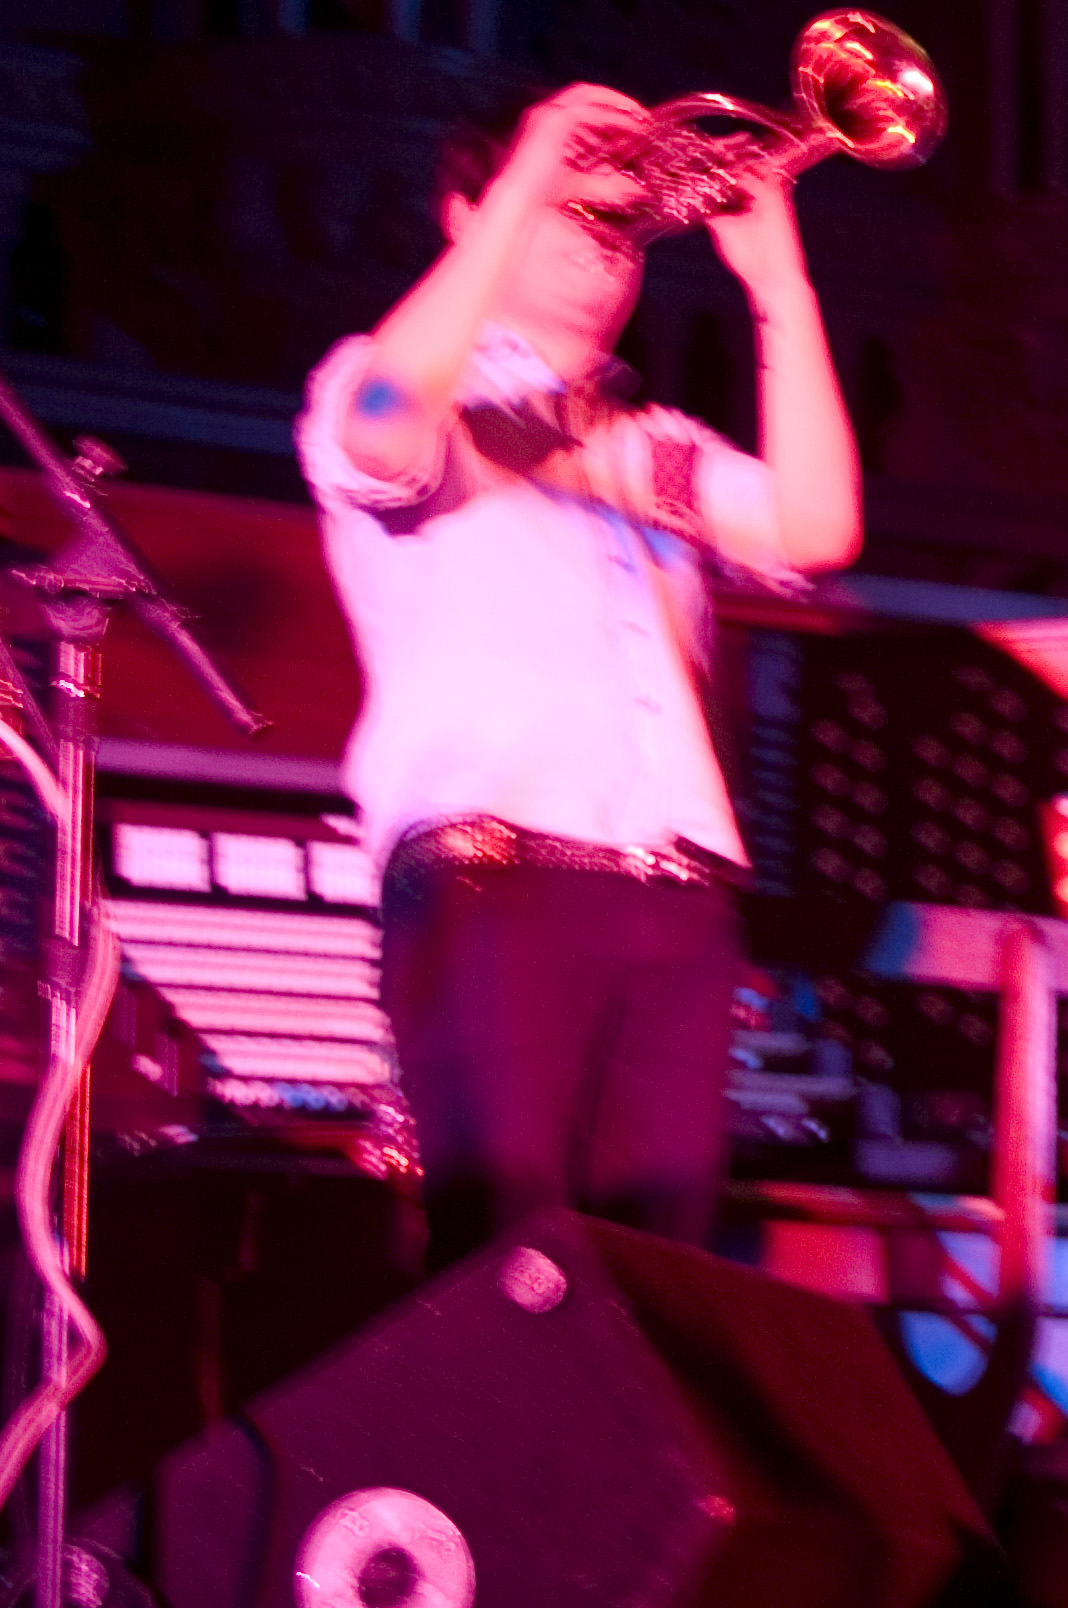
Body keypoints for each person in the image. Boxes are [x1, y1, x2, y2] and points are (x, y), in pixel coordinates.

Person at [297, 82, 863, 1269]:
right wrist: (531, 170)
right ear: (476, 211)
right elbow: (382, 430)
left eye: (626, 226)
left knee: (655, 1283)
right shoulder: (394, 378)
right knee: (509, 1272)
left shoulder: (651, 445)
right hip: (494, 881)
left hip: (675, 893)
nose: (608, 242)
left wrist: (779, 284)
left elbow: (817, 528)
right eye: (575, 208)